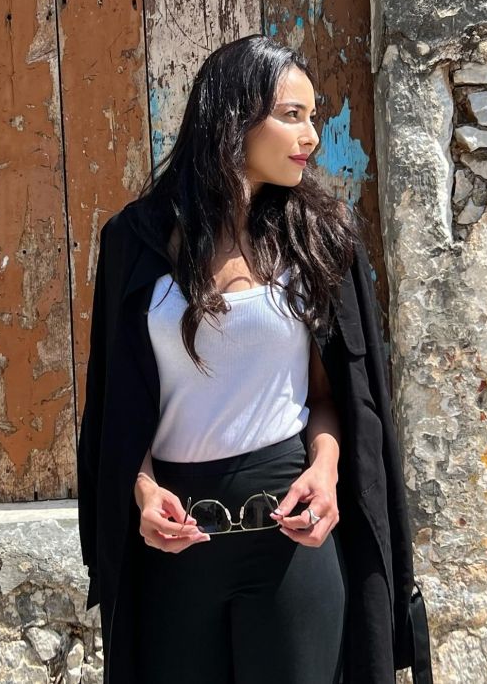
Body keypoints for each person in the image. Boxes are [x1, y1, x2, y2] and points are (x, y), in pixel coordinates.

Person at [77, 34, 416, 684]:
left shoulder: (318, 236)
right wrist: (142, 492)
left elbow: (332, 396)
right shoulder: (136, 241)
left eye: (312, 116)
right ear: (233, 118)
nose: (311, 136)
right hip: (176, 548)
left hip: (292, 542)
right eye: (292, 115)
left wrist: (325, 470)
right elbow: (117, 407)